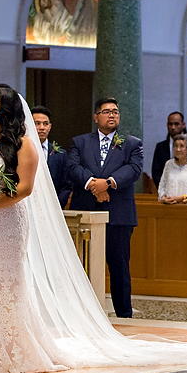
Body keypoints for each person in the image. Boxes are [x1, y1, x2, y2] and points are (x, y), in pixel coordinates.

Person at [0, 88, 187, 373]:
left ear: (8, 112)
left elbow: (25, 188)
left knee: (7, 282)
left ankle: (12, 348)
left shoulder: (25, 144)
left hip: (7, 222)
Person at [67, 98, 142, 318]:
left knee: (119, 266)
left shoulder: (131, 143)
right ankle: (82, 316)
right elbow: (72, 167)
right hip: (87, 212)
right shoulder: (80, 142)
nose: (112, 115)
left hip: (118, 214)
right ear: (96, 116)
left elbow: (134, 169)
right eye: (106, 111)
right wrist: (93, 184)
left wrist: (108, 183)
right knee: (83, 267)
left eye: (115, 112)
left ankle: (124, 315)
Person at [31, 105, 71, 208]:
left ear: (50, 126)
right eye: (37, 123)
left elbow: (66, 186)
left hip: (52, 207)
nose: (42, 128)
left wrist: (56, 207)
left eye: (45, 124)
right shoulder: (21, 151)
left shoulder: (60, 155)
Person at [158, 134, 187, 205]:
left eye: (181, 146)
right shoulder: (169, 164)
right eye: (175, 146)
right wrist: (164, 199)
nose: (178, 149)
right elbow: (162, 187)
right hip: (170, 207)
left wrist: (182, 198)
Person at [152, 111, 186, 188]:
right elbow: (156, 171)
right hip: (166, 189)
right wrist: (162, 189)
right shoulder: (160, 147)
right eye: (170, 124)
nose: (173, 127)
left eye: (176, 124)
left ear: (183, 125)